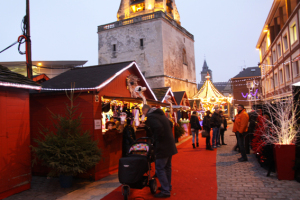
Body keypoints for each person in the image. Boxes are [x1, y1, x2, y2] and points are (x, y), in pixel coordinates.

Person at [142, 104, 178, 198]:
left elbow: (158, 128)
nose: (143, 114)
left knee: (160, 168)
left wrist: (156, 141)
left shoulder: (151, 117)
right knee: (167, 167)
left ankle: (165, 190)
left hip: (163, 145)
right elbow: (170, 124)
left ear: (145, 110)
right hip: (169, 143)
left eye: (143, 112)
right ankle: (167, 186)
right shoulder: (160, 114)